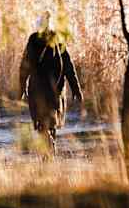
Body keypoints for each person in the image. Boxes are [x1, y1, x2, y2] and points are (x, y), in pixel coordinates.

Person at [18, 13, 83, 151]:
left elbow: (25, 65)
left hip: (37, 89)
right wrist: (76, 89)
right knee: (52, 121)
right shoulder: (58, 40)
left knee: (41, 121)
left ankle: (46, 146)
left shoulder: (33, 40)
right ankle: (50, 144)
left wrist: (21, 88)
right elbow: (68, 66)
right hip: (56, 90)